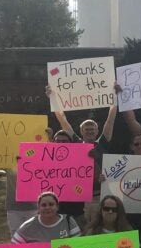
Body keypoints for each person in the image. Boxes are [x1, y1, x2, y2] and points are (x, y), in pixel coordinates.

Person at [46, 85, 118, 231]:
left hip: (101, 197)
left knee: (101, 231)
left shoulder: (102, 143)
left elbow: (110, 119)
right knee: (83, 232)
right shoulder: (76, 144)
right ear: (81, 131)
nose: (90, 130)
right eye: (87, 129)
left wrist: (115, 97)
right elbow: (63, 120)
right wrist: (52, 98)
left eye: (92, 128)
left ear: (98, 130)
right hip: (81, 200)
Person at [11, 191, 82, 244]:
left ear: (57, 207)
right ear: (38, 208)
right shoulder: (28, 226)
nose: (47, 207)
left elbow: (78, 245)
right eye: (44, 205)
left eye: (51, 204)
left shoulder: (68, 221)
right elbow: (14, 246)